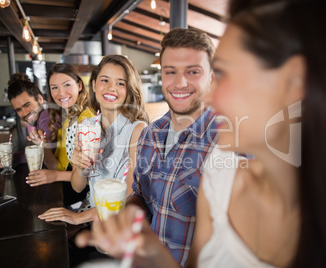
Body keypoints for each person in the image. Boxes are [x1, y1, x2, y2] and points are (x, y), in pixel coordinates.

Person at [78, 0, 326, 267]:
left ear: (294, 81)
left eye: (198, 72)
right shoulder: (196, 160)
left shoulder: (233, 150)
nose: (209, 99)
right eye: (169, 72)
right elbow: (139, 192)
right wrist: (143, 238)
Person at [76, 28, 219, 267]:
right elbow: (140, 193)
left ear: (211, 76)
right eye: (170, 71)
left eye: (193, 72)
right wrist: (129, 215)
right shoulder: (152, 134)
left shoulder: (226, 142)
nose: (180, 82)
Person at [37, 55, 148, 225]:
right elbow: (78, 186)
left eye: (120, 83)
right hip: (92, 210)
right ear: (94, 85)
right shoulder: (86, 125)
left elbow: (131, 198)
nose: (112, 88)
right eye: (105, 80)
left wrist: (78, 217)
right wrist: (80, 167)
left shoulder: (137, 129)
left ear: (129, 90)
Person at [27, 63, 94, 205]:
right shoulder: (67, 121)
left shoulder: (88, 120)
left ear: (80, 86)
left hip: (87, 198)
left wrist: (55, 176)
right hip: (68, 192)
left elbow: (93, 177)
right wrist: (43, 145)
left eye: (67, 85)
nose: (61, 93)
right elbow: (55, 166)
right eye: (54, 88)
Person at [0, 73, 60, 170]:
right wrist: (10, 158)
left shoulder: (46, 118)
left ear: (40, 99)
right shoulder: (43, 114)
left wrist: (13, 158)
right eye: (18, 110)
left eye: (27, 105)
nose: (24, 113)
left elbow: (43, 156)